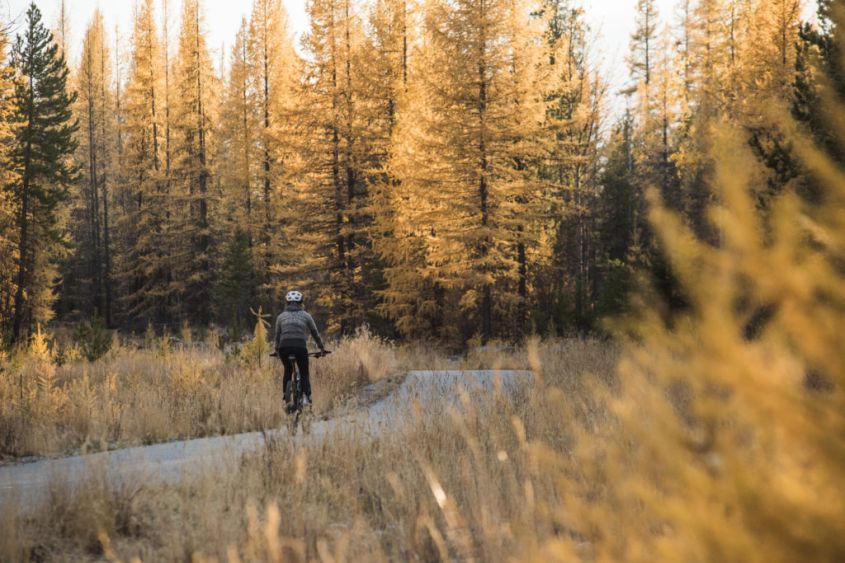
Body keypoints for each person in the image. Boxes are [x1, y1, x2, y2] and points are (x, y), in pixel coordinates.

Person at [273, 290, 326, 410]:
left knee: (288, 369)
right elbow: (315, 333)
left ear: (287, 303)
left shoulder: (280, 317)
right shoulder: (306, 315)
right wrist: (321, 348)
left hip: (284, 348)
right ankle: (307, 397)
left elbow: (277, 336)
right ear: (301, 303)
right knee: (304, 372)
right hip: (299, 346)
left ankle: (285, 398)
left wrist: (276, 351)